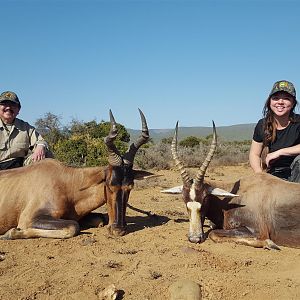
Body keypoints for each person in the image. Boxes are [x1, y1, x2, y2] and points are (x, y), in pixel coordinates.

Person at [249, 80, 300, 182]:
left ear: (293, 102)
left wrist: (280, 152)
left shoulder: (298, 122)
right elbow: (254, 154)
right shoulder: (262, 125)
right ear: (270, 101)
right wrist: (260, 175)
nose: (280, 102)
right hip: (272, 175)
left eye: (286, 98)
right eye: (276, 98)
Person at [0, 91, 52, 170]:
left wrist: (41, 146)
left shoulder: (25, 127)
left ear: (18, 109)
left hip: (20, 168)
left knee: (47, 154)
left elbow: (41, 141)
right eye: (4, 104)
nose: (8, 107)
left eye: (13, 105)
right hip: (2, 170)